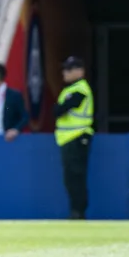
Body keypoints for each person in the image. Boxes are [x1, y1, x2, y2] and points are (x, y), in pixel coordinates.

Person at [55, 56, 94, 220]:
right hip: (68, 138)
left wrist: (59, 108)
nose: (65, 72)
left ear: (80, 71)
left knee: (76, 176)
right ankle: (75, 211)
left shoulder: (81, 89)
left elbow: (61, 109)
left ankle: (78, 211)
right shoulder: (69, 90)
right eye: (65, 69)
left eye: (69, 69)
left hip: (77, 137)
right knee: (70, 178)